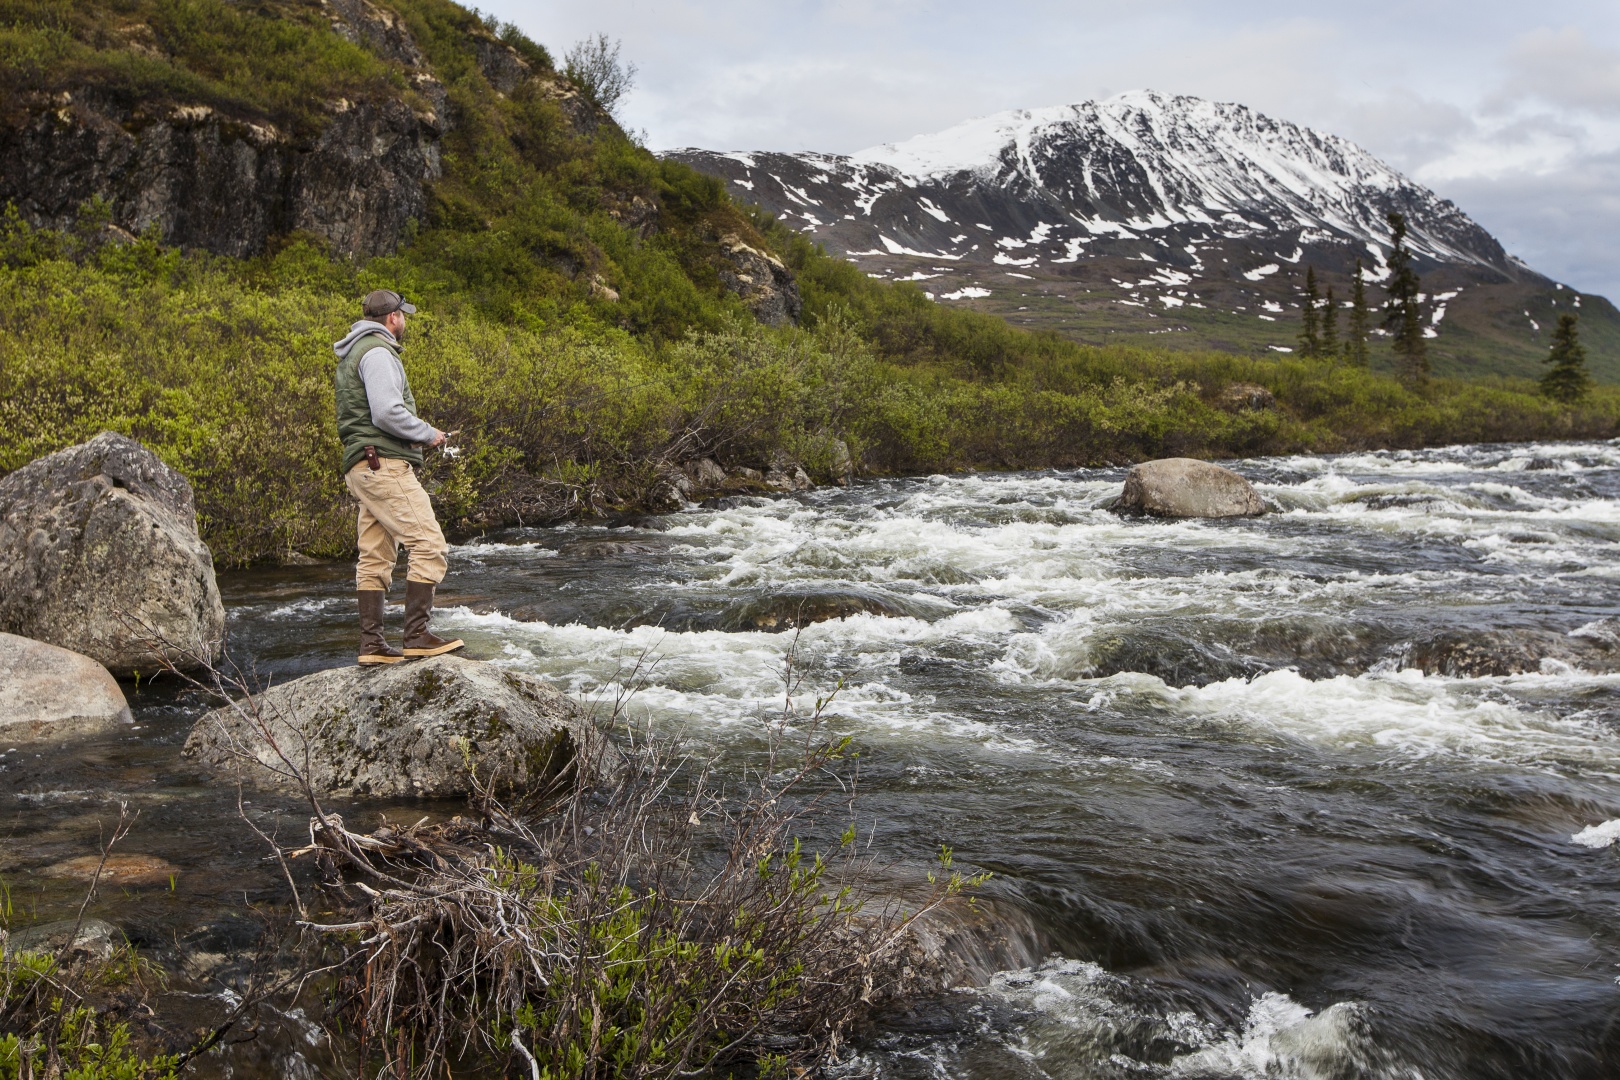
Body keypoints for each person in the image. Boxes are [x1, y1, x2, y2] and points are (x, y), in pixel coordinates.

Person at [332, 289, 464, 665]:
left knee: (375, 555)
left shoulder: (354, 353)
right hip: (383, 465)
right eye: (403, 315)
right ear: (393, 318)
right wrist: (428, 434)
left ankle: (372, 646)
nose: (405, 321)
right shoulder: (377, 352)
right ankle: (417, 636)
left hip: (364, 467)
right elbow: (387, 412)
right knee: (429, 544)